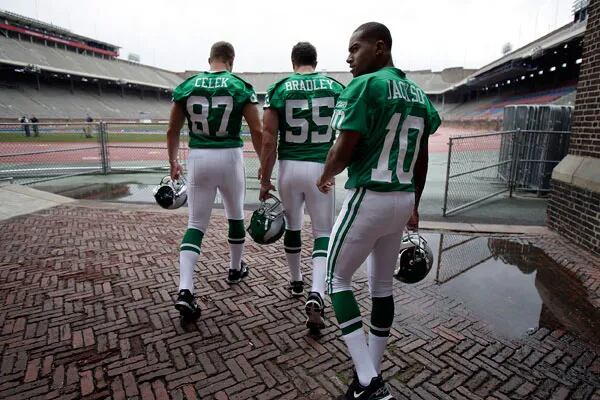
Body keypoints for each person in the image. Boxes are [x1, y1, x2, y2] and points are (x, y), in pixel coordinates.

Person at [316, 22, 440, 399]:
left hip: (369, 195)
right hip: (401, 198)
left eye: (355, 48)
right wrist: (414, 203)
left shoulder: (365, 85)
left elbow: (343, 149)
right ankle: (368, 375)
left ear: (380, 47)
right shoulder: (418, 94)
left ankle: (369, 382)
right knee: (382, 287)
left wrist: (325, 174)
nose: (348, 57)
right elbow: (421, 158)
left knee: (336, 279)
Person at [167, 41, 263, 320]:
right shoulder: (239, 86)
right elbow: (257, 130)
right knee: (235, 215)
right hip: (230, 156)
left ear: (209, 59)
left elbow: (173, 129)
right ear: (232, 60)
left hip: (198, 157)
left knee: (195, 224)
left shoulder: (187, 86)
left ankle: (185, 289)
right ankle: (235, 268)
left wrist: (173, 161)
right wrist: (265, 165)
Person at [260, 42, 344, 331]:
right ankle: (316, 293)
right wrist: (335, 169)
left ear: (293, 61)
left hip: (289, 168)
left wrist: (264, 179)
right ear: (315, 61)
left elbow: (268, 138)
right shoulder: (335, 87)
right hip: (321, 166)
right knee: (323, 233)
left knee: (293, 226)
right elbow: (347, 134)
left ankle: (296, 281)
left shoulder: (280, 88)